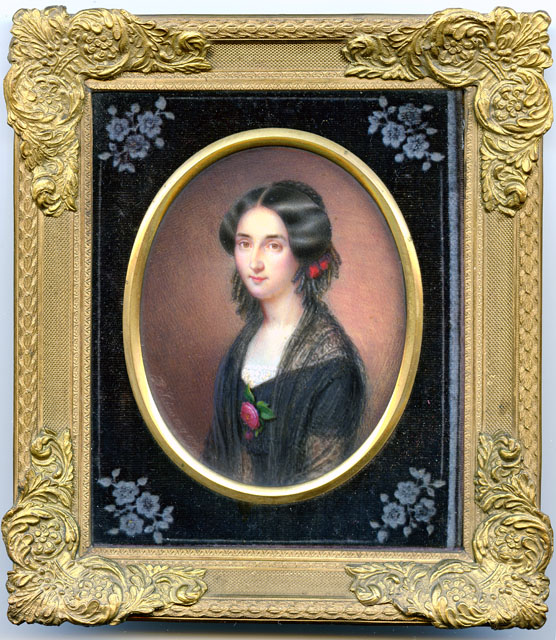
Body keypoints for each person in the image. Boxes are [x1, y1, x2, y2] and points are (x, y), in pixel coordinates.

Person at [202, 180, 368, 486]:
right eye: (245, 244)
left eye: (273, 246)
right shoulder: (241, 346)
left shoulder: (333, 366)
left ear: (303, 251)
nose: (255, 262)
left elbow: (319, 483)